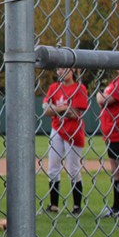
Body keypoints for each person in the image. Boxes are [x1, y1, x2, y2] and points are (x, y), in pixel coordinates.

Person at [42, 67, 88, 215]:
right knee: (53, 168)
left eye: (64, 69)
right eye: (58, 69)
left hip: (73, 132)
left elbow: (75, 114)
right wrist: (63, 109)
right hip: (57, 129)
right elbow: (45, 110)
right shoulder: (54, 87)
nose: (60, 72)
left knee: (73, 169)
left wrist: (57, 109)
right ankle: (54, 205)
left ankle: (76, 206)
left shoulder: (79, 88)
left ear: (72, 71)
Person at [97, 70, 119, 219]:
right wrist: (102, 96)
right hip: (112, 133)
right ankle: (117, 208)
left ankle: (117, 207)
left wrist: (102, 96)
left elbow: (105, 99)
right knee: (117, 173)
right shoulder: (116, 80)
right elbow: (102, 97)